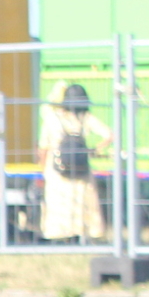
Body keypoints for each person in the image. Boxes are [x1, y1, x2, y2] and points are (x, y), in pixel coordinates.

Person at [37, 83, 112, 242]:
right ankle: (83, 234)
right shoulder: (86, 118)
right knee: (82, 202)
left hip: (56, 167)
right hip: (81, 168)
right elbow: (110, 135)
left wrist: (42, 169)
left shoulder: (52, 118)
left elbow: (43, 146)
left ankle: (58, 236)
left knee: (58, 203)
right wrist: (94, 150)